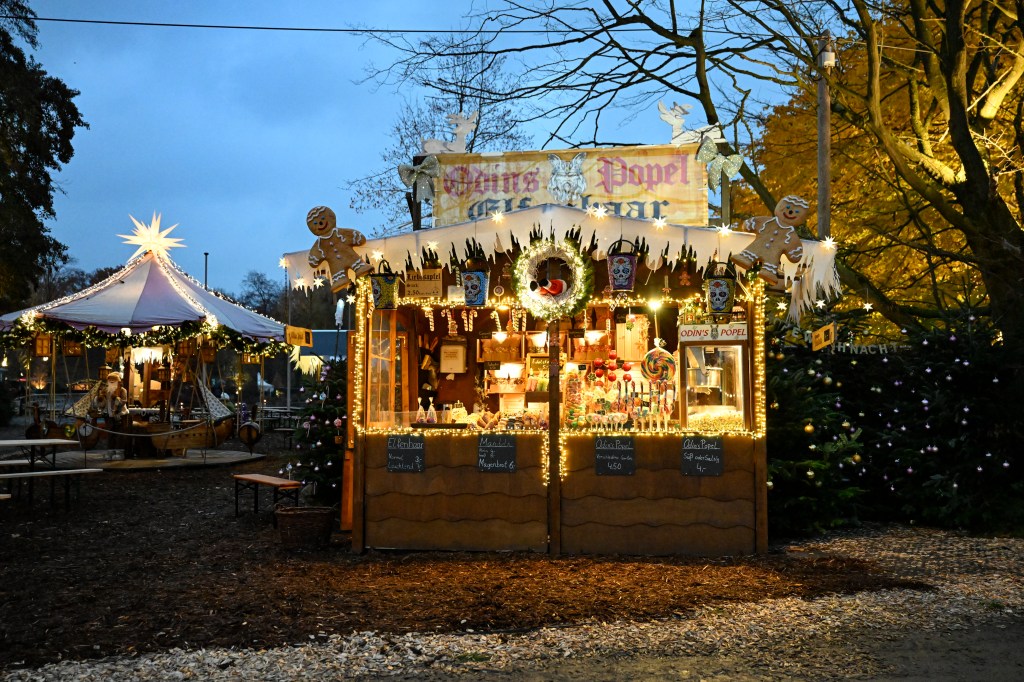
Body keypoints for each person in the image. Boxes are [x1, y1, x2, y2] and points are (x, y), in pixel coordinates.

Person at [93, 372, 130, 460]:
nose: (111, 383)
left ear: (118, 382)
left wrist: (116, 398)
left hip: (120, 415)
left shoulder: (122, 390)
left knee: (119, 434)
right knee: (110, 434)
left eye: (114, 381)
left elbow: (123, 401)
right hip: (109, 415)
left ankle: (119, 452)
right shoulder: (106, 391)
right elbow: (102, 405)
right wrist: (100, 399)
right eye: (110, 381)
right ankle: (110, 451)